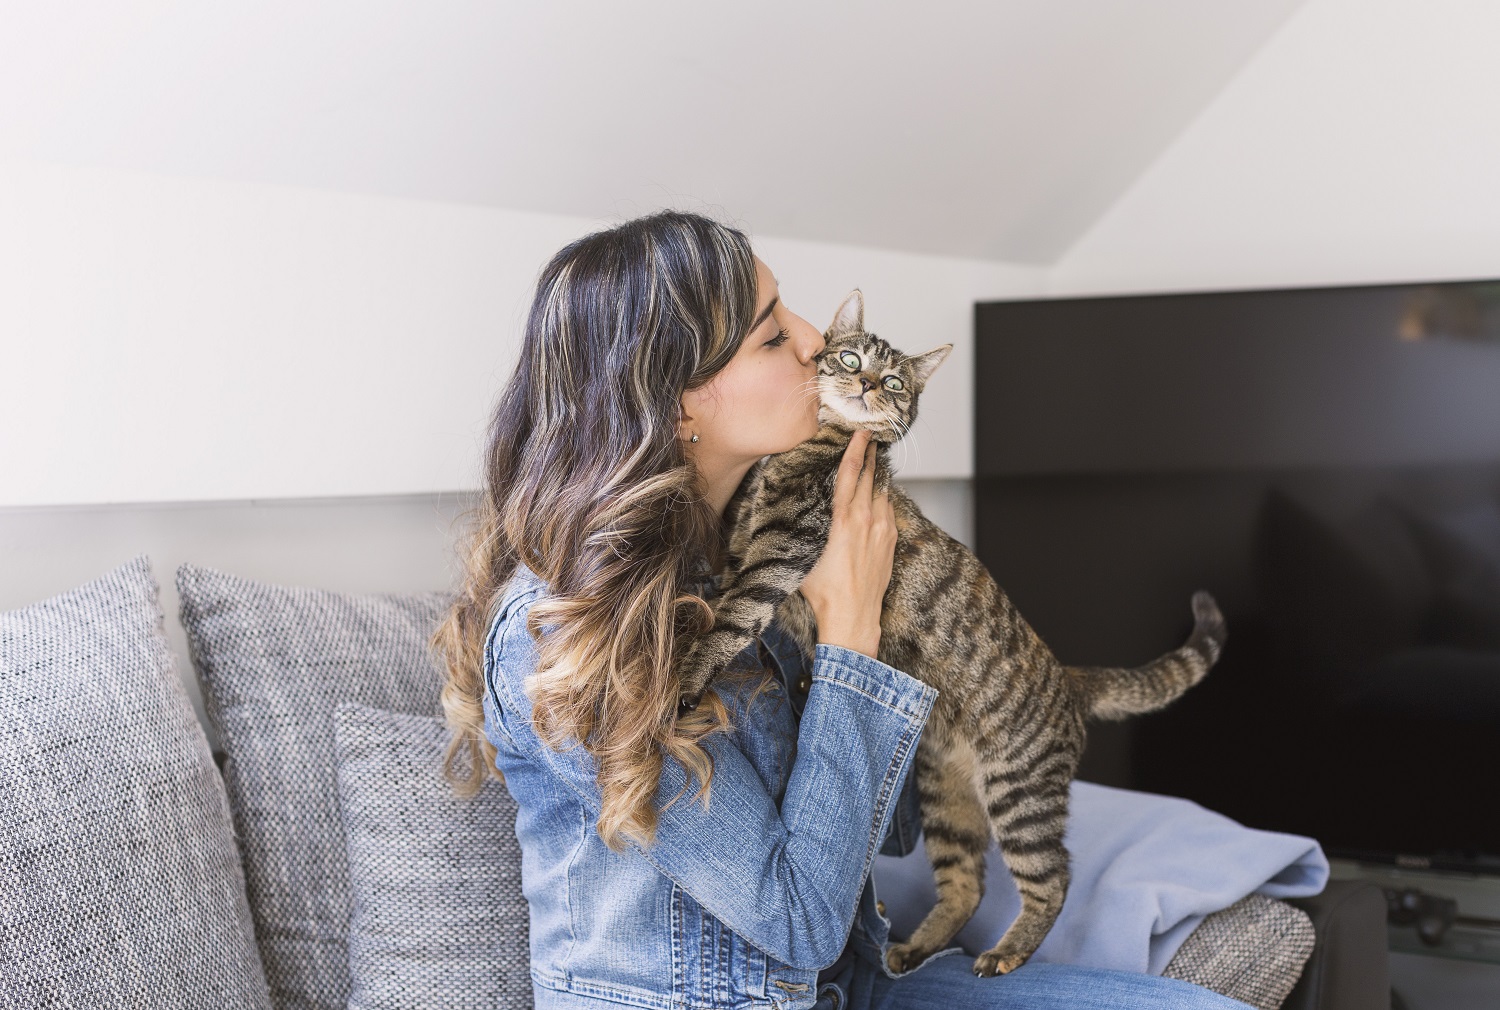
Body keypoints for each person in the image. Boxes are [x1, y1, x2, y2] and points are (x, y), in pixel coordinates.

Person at [432, 210, 1251, 1009]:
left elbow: (889, 834)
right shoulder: (564, 638)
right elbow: (800, 919)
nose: (815, 337)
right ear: (677, 405)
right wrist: (850, 634)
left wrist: (893, 619)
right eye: (771, 334)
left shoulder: (749, 561)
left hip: (851, 985)